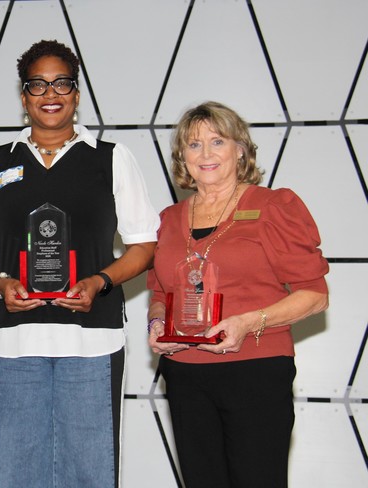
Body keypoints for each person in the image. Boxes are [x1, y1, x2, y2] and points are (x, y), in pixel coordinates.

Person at [0, 40, 159, 487]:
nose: (51, 94)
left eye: (61, 83)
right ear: (24, 96)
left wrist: (100, 282)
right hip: (12, 341)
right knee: (15, 473)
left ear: (77, 92)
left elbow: (144, 245)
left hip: (93, 339)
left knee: (90, 472)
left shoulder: (112, 159)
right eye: (38, 85)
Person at [146, 101, 329, 487]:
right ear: (182, 156)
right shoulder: (168, 218)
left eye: (217, 141)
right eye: (194, 145)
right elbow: (160, 289)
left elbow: (315, 295)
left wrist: (249, 322)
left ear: (240, 149)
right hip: (185, 375)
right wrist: (157, 321)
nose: (206, 154)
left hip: (255, 372)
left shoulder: (273, 207)